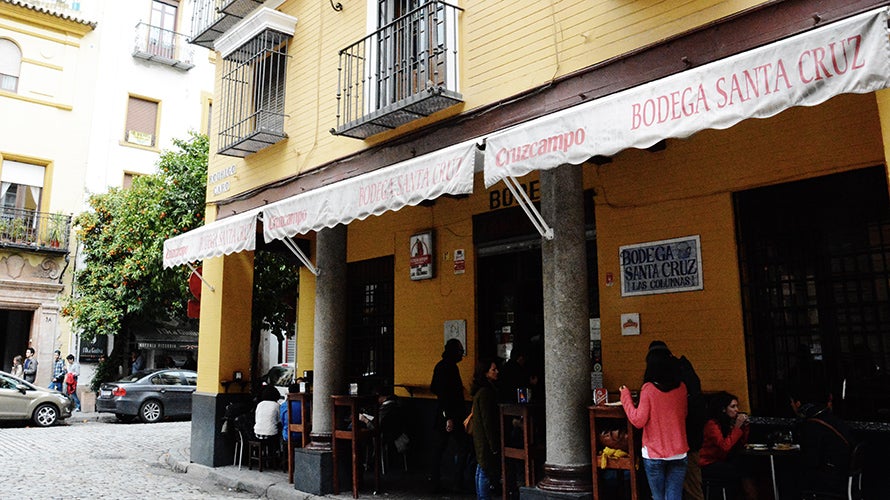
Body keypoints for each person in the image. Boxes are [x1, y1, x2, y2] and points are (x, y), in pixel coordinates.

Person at [620, 343, 688, 500]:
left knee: (658, 497)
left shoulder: (648, 389)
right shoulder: (682, 388)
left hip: (654, 452)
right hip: (678, 451)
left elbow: (638, 420)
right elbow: (683, 414)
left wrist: (625, 396)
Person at [648, 341, 706, 500]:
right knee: (689, 487)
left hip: (674, 442)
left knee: (685, 488)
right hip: (686, 440)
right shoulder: (684, 372)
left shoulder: (665, 377)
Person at [788, 382, 854, 497]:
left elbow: (811, 460)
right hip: (846, 477)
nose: (791, 406)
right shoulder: (833, 420)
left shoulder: (812, 425)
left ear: (798, 404)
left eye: (791, 403)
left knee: (790, 476)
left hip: (831, 480)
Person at [429, 338, 470, 493]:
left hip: (445, 414)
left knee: (439, 450)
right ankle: (456, 481)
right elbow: (444, 393)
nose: (462, 354)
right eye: (460, 351)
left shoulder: (442, 366)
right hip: (451, 415)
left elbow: (435, 388)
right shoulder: (449, 368)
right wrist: (449, 417)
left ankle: (436, 482)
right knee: (462, 447)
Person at [698, 392, 755, 499]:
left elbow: (740, 443)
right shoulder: (712, 424)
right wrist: (737, 428)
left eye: (737, 406)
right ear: (723, 409)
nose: (737, 410)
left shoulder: (726, 422)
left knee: (746, 466)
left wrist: (744, 428)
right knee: (740, 471)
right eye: (733, 406)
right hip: (707, 464)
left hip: (720, 460)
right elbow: (725, 447)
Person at [471, 358, 500, 500]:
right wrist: (493, 444)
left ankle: (481, 497)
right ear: (485, 373)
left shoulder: (480, 391)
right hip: (485, 439)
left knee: (481, 468)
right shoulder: (486, 393)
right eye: (493, 370)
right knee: (485, 471)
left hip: (480, 437)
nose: (497, 372)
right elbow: (488, 421)